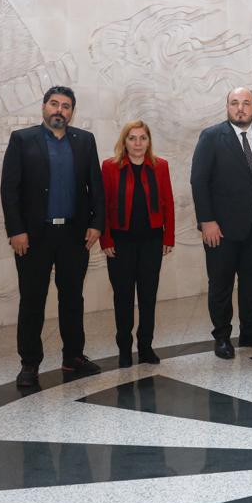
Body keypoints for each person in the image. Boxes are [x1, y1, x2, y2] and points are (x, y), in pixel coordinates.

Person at [0, 86, 105, 387]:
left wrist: (97, 224)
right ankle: (29, 363)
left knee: (72, 299)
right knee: (32, 300)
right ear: (44, 107)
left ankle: (73, 357)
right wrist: (16, 230)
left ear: (72, 111)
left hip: (74, 235)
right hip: (34, 237)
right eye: (54, 104)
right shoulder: (22, 140)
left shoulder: (85, 141)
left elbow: (95, 187)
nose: (60, 110)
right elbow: (9, 190)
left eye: (66, 106)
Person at [190, 87, 252, 359]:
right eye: (234, 103)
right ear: (227, 107)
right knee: (221, 285)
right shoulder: (211, 136)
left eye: (246, 103)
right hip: (221, 229)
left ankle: (250, 332)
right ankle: (222, 337)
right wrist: (207, 221)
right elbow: (199, 181)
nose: (240, 108)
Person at [100, 120, 175, 368]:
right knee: (123, 298)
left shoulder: (160, 166)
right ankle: (124, 349)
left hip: (152, 242)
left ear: (149, 141)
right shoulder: (110, 167)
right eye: (132, 138)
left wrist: (168, 237)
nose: (138, 143)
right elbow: (103, 206)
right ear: (124, 141)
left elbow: (168, 203)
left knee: (148, 297)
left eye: (143, 138)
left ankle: (145, 347)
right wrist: (105, 239)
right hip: (120, 244)